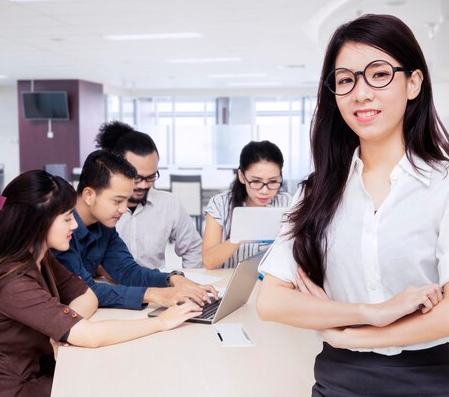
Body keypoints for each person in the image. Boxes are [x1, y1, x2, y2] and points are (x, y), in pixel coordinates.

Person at [256, 14, 449, 397]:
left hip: (424, 381)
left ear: (413, 82)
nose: (361, 93)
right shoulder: (317, 192)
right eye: (345, 80)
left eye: (379, 74)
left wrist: (355, 337)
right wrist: (372, 313)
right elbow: (271, 301)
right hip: (338, 381)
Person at [0, 170, 201, 397]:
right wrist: (161, 322)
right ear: (38, 224)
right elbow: (90, 335)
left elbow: (88, 295)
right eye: (66, 218)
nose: (74, 224)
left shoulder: (41, 259)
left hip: (29, 372)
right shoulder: (13, 281)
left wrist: (62, 329)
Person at [53, 149, 217, 310]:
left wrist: (172, 279)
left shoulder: (104, 225)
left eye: (126, 200)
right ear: (89, 195)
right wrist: (153, 294)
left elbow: (127, 271)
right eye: (117, 201)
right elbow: (83, 290)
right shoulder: (58, 229)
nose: (124, 209)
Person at [95, 121, 203, 269]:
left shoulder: (169, 204)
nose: (144, 185)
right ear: (116, 169)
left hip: (155, 288)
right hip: (107, 288)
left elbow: (193, 248)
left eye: (151, 177)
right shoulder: (97, 206)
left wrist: (188, 282)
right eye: (137, 177)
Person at [202, 140, 291, 269]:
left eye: (273, 181)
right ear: (242, 176)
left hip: (270, 282)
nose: (264, 191)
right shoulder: (220, 204)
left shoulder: (287, 203)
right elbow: (208, 261)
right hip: (228, 280)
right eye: (256, 181)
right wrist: (240, 235)